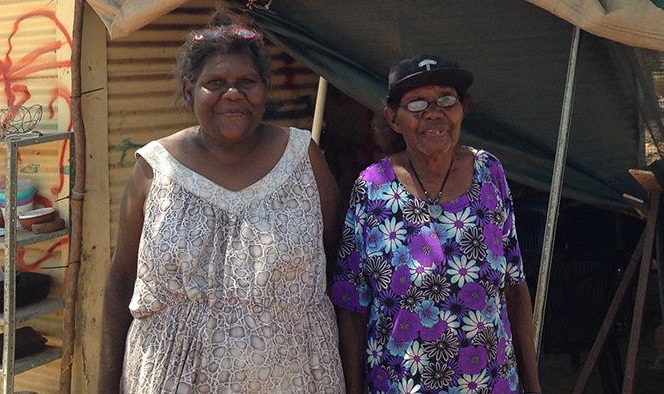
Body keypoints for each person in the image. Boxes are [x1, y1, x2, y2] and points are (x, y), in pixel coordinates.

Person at [98, 9, 345, 393]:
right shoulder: (154, 168)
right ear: (188, 91)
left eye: (247, 81)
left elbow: (336, 261)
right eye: (215, 82)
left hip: (292, 375)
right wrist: (105, 384)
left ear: (265, 88)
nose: (232, 93)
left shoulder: (303, 158)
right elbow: (120, 279)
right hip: (172, 377)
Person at [330, 54, 542, 393]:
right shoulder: (372, 188)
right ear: (393, 119)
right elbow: (352, 303)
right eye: (416, 103)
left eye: (446, 99)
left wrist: (532, 385)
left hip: (491, 383)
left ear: (462, 109)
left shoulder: (489, 173)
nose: (433, 112)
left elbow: (514, 286)